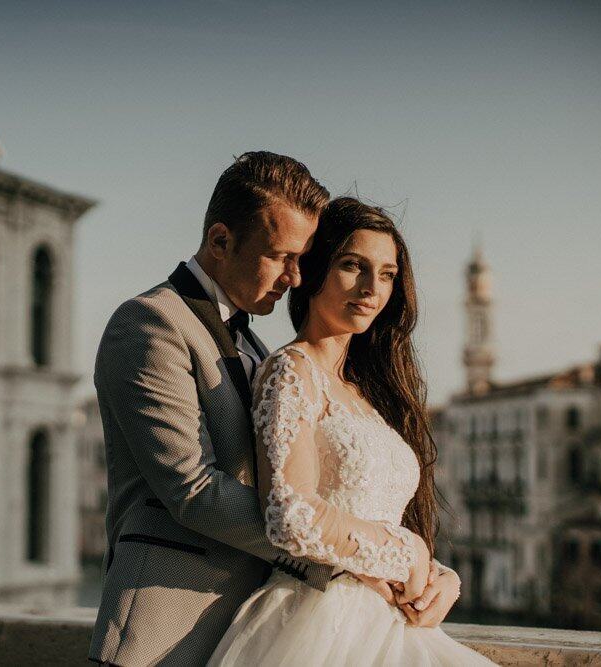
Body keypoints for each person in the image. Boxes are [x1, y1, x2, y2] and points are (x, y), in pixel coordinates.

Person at [89, 153, 406, 666]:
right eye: (281, 257)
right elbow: (192, 489)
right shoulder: (148, 324)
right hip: (162, 632)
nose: (296, 277)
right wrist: (343, 560)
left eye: (302, 259)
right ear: (220, 241)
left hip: (249, 631)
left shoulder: (258, 347)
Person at [206, 196, 497, 665]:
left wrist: (438, 576)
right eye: (352, 265)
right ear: (313, 270)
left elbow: (372, 514)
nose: (371, 288)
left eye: (386, 274)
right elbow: (291, 514)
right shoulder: (290, 371)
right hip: (319, 627)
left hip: (389, 625)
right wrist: (408, 551)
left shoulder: (367, 392)